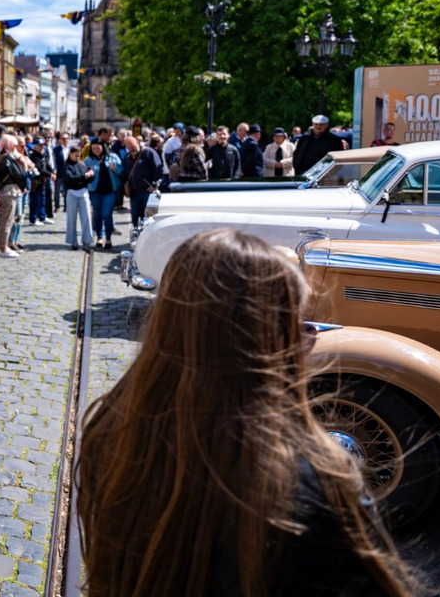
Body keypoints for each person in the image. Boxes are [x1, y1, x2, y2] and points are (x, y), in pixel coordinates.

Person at [76, 228, 422, 597]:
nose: (309, 339)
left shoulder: (112, 423)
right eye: (299, 326)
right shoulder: (314, 481)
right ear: (267, 342)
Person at [0, 135, 27, 258]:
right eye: (14, 144)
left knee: (5, 220)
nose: (16, 146)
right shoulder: (7, 158)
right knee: (7, 220)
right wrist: (23, 185)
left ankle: (3, 245)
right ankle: (3, 247)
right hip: (9, 191)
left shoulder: (1, 157)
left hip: (6, 190)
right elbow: (18, 175)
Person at [85, 140, 122, 250]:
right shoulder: (89, 160)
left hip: (110, 190)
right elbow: (83, 173)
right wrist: (88, 174)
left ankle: (108, 238)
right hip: (94, 190)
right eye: (94, 149)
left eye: (98, 148)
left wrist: (114, 169)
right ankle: (99, 237)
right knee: (97, 214)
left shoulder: (112, 157)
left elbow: (121, 170)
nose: (96, 150)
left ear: (103, 147)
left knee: (106, 214)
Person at [125, 136, 162, 228]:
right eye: (128, 147)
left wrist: (154, 185)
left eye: (132, 146)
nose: (131, 149)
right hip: (134, 192)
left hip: (147, 191)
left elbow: (158, 168)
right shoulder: (127, 156)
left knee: (148, 217)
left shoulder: (149, 152)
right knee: (135, 216)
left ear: (137, 142)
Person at [62, 146, 94, 250]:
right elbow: (70, 179)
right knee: (72, 218)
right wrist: (85, 176)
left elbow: (88, 179)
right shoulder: (67, 166)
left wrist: (91, 175)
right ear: (70, 154)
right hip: (72, 192)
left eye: (79, 155)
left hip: (83, 192)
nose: (78, 156)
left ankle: (87, 240)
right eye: (76, 155)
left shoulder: (82, 164)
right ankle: (73, 240)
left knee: (86, 217)